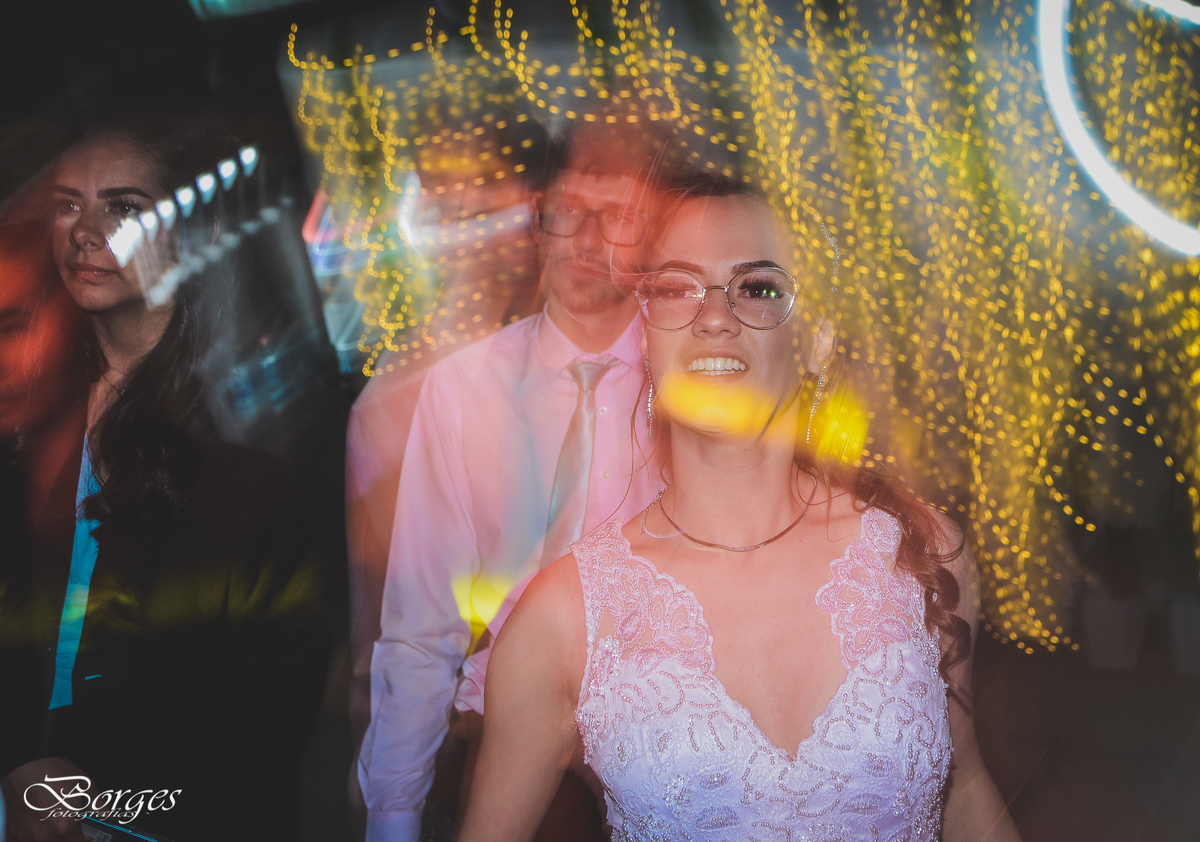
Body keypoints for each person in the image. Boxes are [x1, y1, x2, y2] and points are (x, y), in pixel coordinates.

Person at [457, 176, 1023, 841]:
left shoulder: (921, 555)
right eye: (678, 287)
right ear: (647, 335)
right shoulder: (563, 618)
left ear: (816, 341)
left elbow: (966, 789)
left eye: (757, 288)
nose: (715, 317)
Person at [0, 124, 340, 842]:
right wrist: (21, 762)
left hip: (169, 810)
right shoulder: (30, 399)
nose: (85, 232)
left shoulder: (265, 426)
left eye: (123, 207)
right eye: (68, 204)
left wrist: (102, 794)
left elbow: (278, 674)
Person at [357, 118, 671, 841]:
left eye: (618, 217)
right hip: (499, 725)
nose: (587, 241)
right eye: (568, 212)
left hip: (654, 735)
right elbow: (420, 627)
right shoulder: (464, 389)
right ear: (537, 218)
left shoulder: (685, 387)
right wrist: (393, 819)